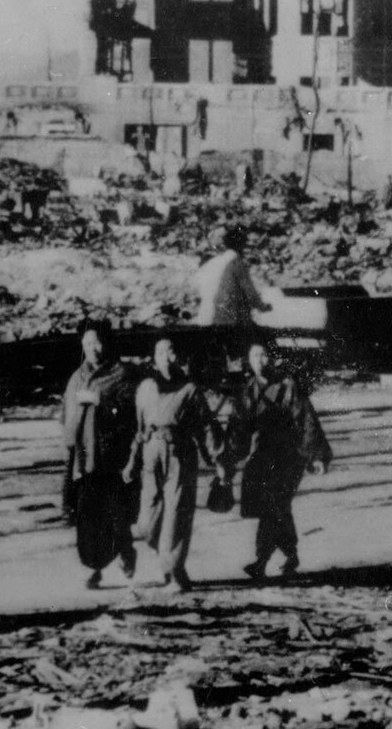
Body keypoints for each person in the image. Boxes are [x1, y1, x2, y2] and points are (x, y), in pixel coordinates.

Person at [124, 340, 221, 593]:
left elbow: (205, 426)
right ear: (154, 358)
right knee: (147, 519)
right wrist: (132, 460)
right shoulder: (146, 388)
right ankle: (167, 557)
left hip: (180, 453)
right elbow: (138, 427)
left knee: (177, 512)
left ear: (178, 357)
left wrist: (216, 457)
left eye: (170, 351)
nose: (166, 357)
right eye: (160, 352)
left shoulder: (190, 389)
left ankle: (175, 572)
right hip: (151, 452)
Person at [228, 342, 331, 579]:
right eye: (254, 356)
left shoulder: (287, 386)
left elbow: (306, 420)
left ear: (272, 359)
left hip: (289, 455)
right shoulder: (248, 390)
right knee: (273, 507)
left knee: (274, 504)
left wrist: (316, 456)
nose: (259, 360)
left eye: (264, 355)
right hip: (263, 455)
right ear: (248, 361)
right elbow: (238, 426)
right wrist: (229, 457)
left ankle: (262, 560)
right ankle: (289, 554)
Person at [61, 322, 140, 589]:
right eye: (87, 343)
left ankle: (125, 551)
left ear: (106, 342)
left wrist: (101, 402)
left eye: (96, 342)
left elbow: (131, 413)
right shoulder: (77, 377)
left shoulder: (122, 374)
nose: (92, 348)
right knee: (88, 517)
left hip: (111, 458)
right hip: (84, 460)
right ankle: (94, 568)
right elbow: (67, 416)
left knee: (116, 515)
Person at [195, 227, 269, 328]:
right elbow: (250, 291)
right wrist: (263, 307)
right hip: (226, 317)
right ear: (241, 246)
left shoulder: (215, 261)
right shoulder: (236, 262)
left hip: (207, 313)